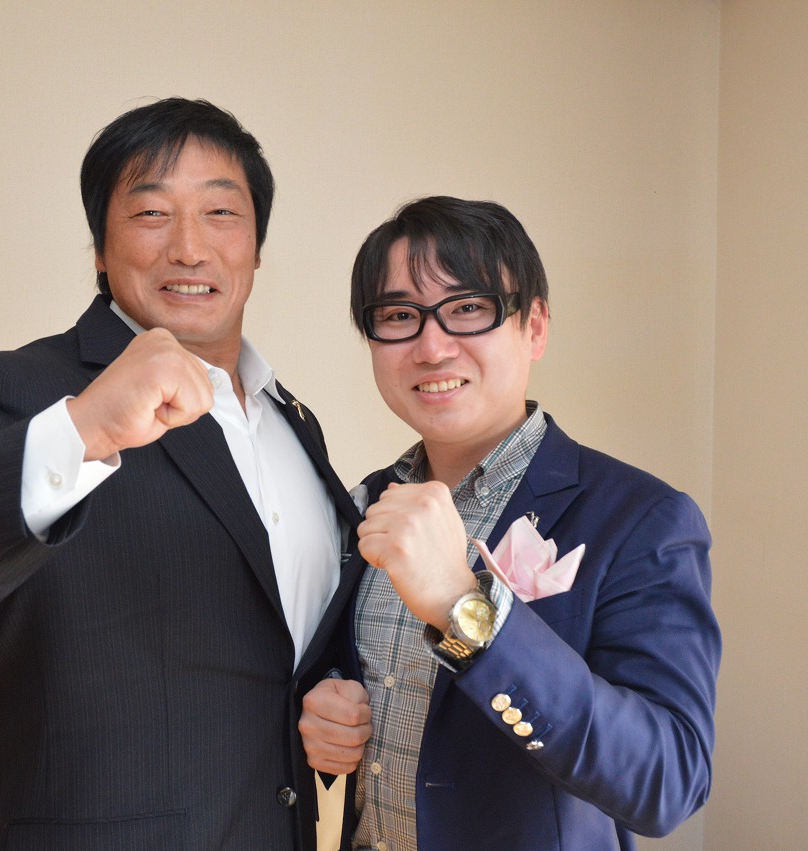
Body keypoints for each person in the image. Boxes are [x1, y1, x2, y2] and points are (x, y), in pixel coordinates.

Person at [0, 98, 363, 850]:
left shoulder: (294, 424)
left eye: (221, 212)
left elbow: (268, 649)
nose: (190, 247)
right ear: (100, 247)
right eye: (152, 213)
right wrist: (81, 430)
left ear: (256, 246)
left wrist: (331, 697)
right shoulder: (15, 393)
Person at [297, 196, 721, 850]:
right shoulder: (363, 503)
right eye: (400, 316)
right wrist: (323, 706)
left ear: (535, 327)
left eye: (469, 308)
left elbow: (669, 781)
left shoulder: (642, 518)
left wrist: (465, 607)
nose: (432, 346)